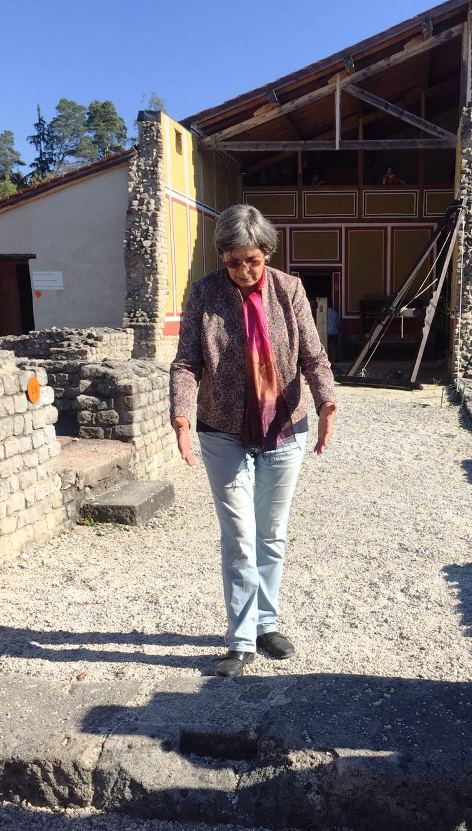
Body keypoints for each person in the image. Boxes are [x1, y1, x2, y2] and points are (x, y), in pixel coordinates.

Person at [169, 204, 337, 678]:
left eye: (253, 260)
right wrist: (181, 417)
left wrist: (326, 404)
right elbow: (186, 362)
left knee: (271, 534)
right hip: (222, 429)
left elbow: (313, 356)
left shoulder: (290, 289)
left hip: (284, 426)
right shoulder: (204, 293)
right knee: (240, 537)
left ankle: (267, 624)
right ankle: (240, 641)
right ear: (222, 257)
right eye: (234, 261)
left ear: (267, 253)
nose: (244, 270)